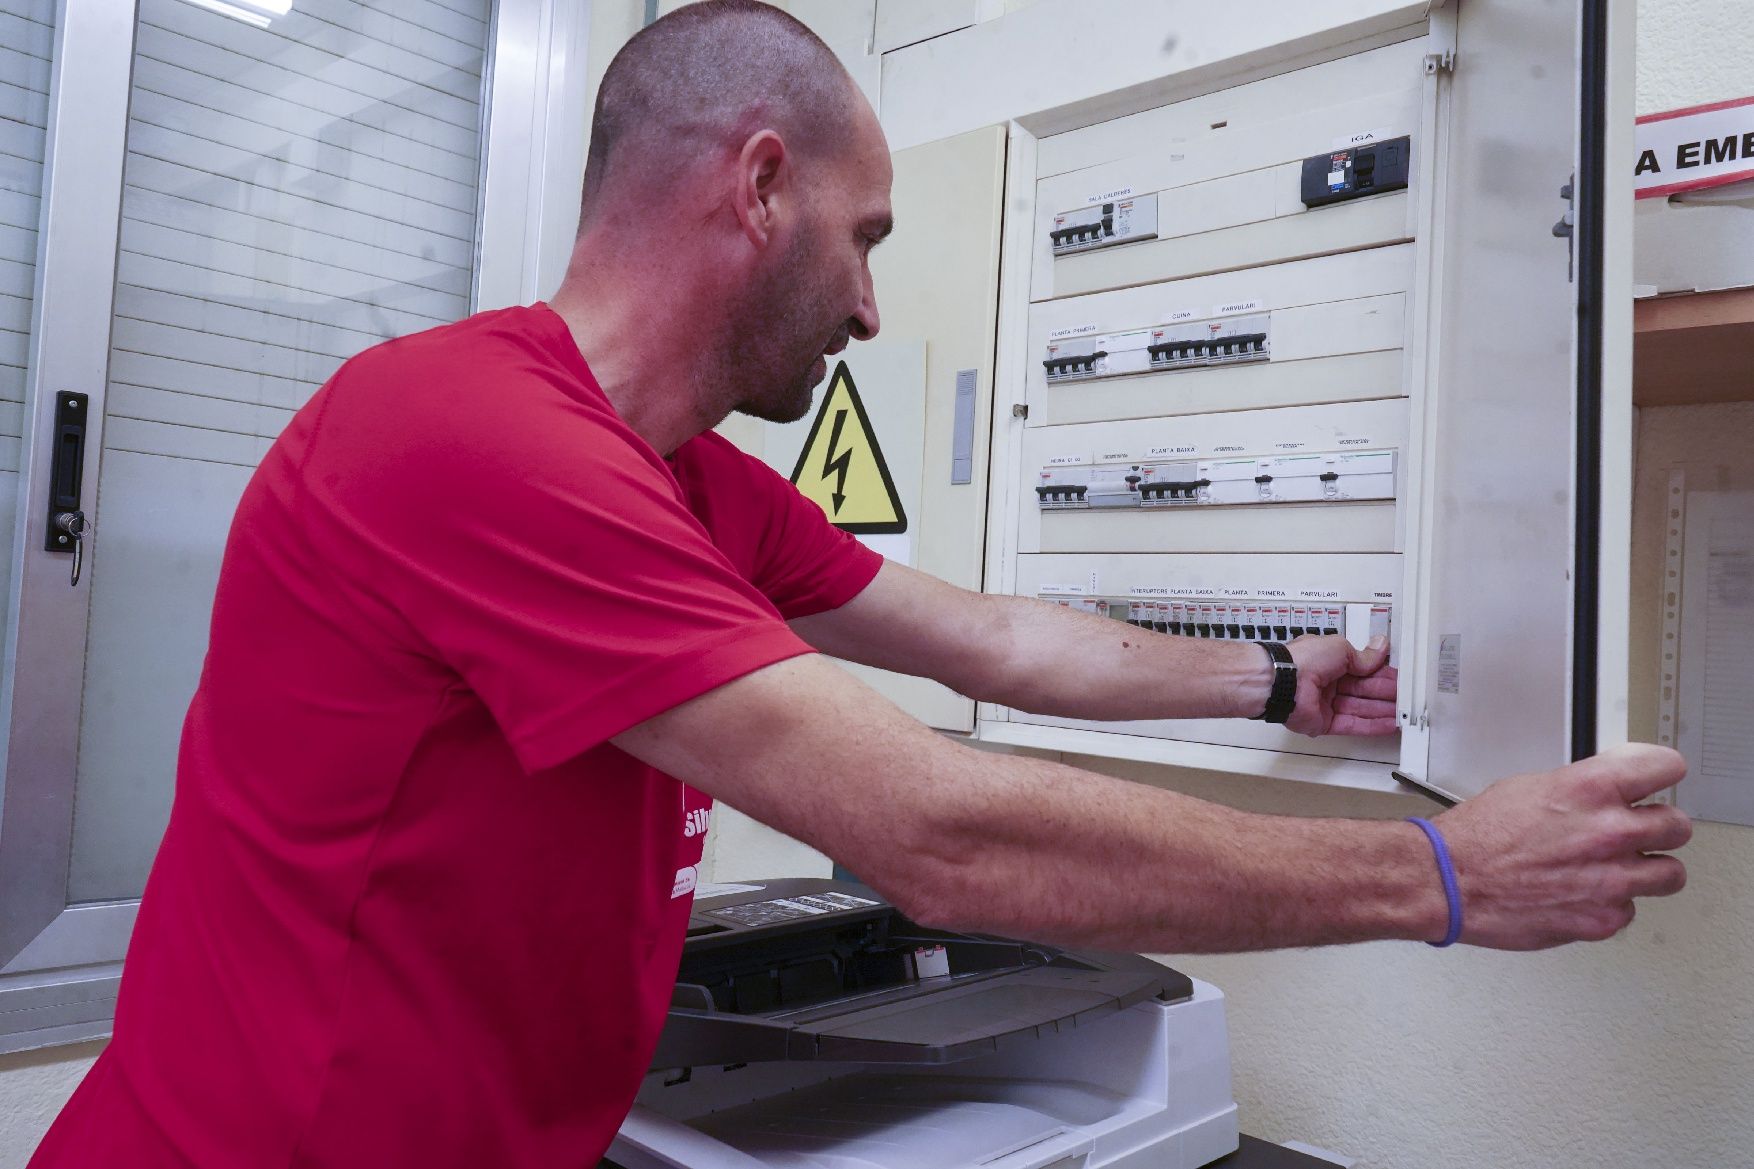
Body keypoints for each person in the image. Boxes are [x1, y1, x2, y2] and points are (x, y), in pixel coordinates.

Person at [29, 2, 1691, 1167]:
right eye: (869, 235)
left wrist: (1266, 679)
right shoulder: (461, 436)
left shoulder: (686, 482)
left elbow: (992, 639)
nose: (876, 309)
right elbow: (931, 828)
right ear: (757, 186)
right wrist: (1437, 878)